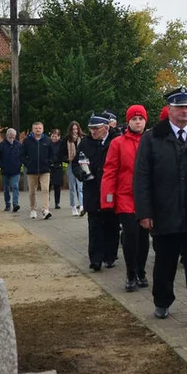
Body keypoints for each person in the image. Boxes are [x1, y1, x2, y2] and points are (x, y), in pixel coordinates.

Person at [134, 86, 187, 326]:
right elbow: (142, 177)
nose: (185, 112)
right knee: (165, 263)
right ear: (169, 110)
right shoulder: (152, 138)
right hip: (164, 213)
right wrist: (145, 212)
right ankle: (162, 302)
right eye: (180, 107)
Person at [102, 104, 151, 292]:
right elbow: (110, 170)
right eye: (134, 119)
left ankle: (141, 271)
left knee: (144, 236)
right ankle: (130, 274)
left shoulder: (152, 140)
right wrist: (107, 199)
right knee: (131, 234)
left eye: (140, 119)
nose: (138, 122)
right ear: (128, 121)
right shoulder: (118, 143)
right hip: (125, 195)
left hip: (146, 197)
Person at [78, 113, 120, 270]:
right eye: (91, 129)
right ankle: (95, 258)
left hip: (111, 189)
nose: (93, 132)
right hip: (92, 188)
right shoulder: (85, 143)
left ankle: (110, 256)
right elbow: (77, 163)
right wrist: (82, 173)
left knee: (111, 224)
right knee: (94, 225)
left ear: (106, 128)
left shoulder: (115, 141)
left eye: (96, 129)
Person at [21, 121, 55, 220]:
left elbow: (53, 155)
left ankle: (45, 210)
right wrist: (28, 163)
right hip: (32, 170)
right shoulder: (27, 141)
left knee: (45, 190)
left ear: (43, 129)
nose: (38, 130)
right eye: (36, 128)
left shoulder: (48, 141)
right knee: (32, 191)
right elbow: (22, 155)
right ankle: (33, 209)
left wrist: (49, 162)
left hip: (45, 170)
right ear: (32, 129)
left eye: (39, 128)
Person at [0, 128, 23, 213]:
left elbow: (22, 156)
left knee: (15, 186)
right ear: (7, 136)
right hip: (5, 171)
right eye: (10, 136)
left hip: (15, 170)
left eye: (13, 136)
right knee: (6, 188)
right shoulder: (1, 145)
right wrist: (2, 166)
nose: (12, 138)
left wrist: (19, 164)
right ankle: (7, 204)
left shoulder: (18, 145)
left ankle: (15, 204)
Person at [61, 121, 86, 216]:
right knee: (72, 187)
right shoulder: (66, 140)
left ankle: (82, 205)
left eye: (76, 129)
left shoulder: (83, 139)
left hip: (81, 164)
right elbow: (61, 153)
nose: (75, 131)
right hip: (71, 164)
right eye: (73, 129)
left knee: (80, 186)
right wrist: (67, 159)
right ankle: (73, 206)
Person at [48, 128, 64, 210]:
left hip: (58, 167)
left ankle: (57, 202)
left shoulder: (61, 144)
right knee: (47, 186)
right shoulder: (48, 143)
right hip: (49, 166)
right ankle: (46, 201)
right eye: (52, 136)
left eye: (56, 136)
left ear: (59, 136)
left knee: (57, 186)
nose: (54, 138)